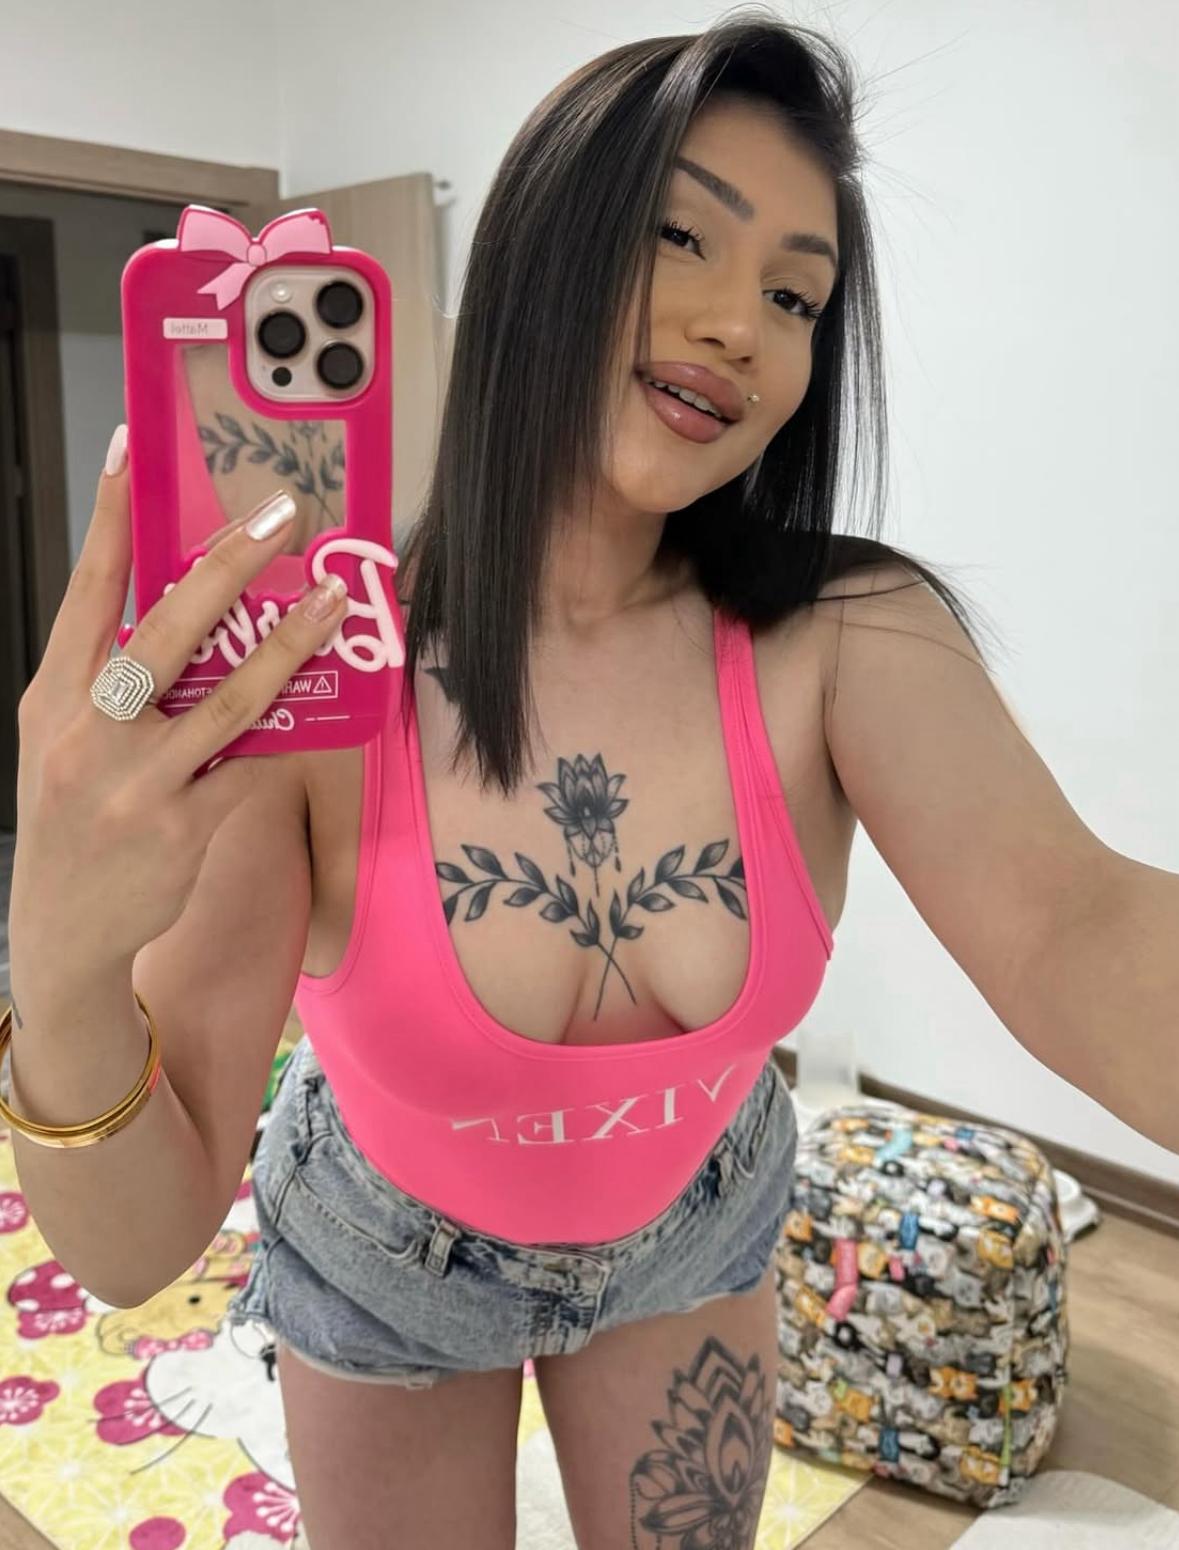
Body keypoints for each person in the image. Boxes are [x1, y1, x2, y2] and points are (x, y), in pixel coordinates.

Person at [6, 10, 1114, 1548]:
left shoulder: (852, 638)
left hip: (699, 1222)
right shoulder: (323, 677)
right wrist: (58, 953)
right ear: (541, 248)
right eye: (682, 236)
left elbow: (1077, 928)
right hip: (388, 1255)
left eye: (795, 293)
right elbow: (135, 1248)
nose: (742, 326)